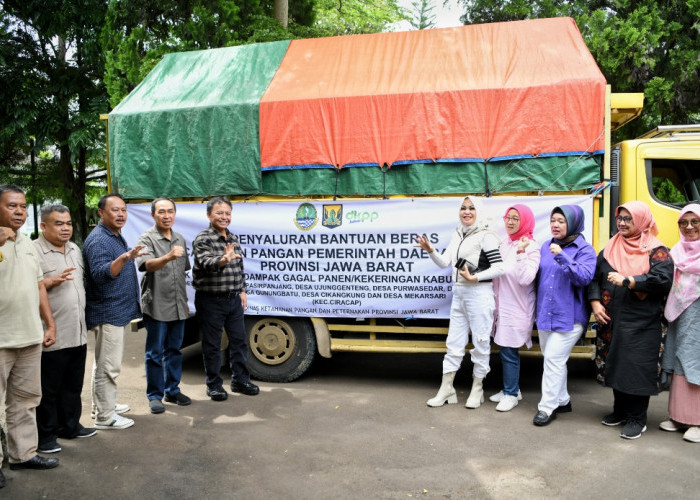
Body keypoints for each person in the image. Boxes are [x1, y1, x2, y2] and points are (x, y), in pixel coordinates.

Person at [589, 201, 672, 439]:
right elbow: (594, 278)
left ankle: (637, 418)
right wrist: (595, 303)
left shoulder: (656, 250)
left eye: (628, 219)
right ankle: (621, 411)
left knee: (636, 367)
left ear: (642, 220)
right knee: (615, 363)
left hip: (642, 322)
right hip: (612, 319)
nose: (622, 223)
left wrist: (630, 281)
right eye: (620, 218)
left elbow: (663, 279)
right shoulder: (610, 247)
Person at [415, 196, 505, 409]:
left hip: (480, 295)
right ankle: (447, 389)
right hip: (459, 294)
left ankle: (477, 388)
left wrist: (476, 277)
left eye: (472, 208)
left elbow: (500, 267)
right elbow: (445, 263)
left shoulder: (487, 235)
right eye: (463, 208)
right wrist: (430, 250)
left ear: (479, 211)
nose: (467, 212)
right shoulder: (457, 233)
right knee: (454, 343)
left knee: (481, 342)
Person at [0, 184, 59, 487]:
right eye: (12, 206)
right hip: (1, 339)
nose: (20, 211)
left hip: (29, 337)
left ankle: (23, 454)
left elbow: (39, 287)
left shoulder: (27, 244)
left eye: (23, 206)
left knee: (25, 400)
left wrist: (49, 324)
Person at [34, 205, 96, 455]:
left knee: (72, 385)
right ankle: (46, 436)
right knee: (48, 389)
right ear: (43, 226)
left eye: (68, 223)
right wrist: (50, 281)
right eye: (59, 223)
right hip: (52, 333)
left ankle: (70, 426)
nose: (65, 228)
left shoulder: (74, 249)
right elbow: (30, 289)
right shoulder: (34, 251)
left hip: (77, 331)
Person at [84, 193, 145, 430]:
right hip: (108, 311)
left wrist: (127, 256)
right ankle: (104, 417)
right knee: (109, 366)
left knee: (102, 363)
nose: (121, 214)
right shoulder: (99, 239)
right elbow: (100, 274)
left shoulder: (114, 235)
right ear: (101, 213)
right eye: (114, 210)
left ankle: (102, 405)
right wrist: (125, 258)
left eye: (123, 210)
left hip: (116, 309)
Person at [533, 205, 596, 427]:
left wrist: (563, 257)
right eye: (553, 220)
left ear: (573, 223)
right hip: (545, 314)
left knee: (553, 358)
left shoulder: (585, 250)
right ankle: (563, 400)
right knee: (555, 360)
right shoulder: (545, 246)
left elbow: (584, 278)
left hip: (571, 316)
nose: (555, 225)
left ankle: (547, 407)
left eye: (561, 220)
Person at [193, 197, 259, 401]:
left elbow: (239, 268)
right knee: (212, 344)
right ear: (209, 215)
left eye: (227, 213)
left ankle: (240, 380)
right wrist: (223, 259)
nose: (224, 217)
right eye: (219, 213)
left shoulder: (233, 238)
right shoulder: (203, 238)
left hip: (233, 300)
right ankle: (213, 385)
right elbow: (206, 263)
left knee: (239, 342)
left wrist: (242, 290)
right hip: (211, 300)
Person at [136, 198, 192, 414]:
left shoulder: (180, 238)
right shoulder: (146, 238)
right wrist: (168, 256)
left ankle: (173, 390)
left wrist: (184, 303)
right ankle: (155, 396)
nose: (166, 215)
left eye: (170, 211)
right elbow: (147, 265)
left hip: (178, 304)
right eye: (161, 212)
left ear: (175, 214)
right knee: (154, 352)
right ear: (153, 215)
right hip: (157, 304)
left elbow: (182, 272)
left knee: (174, 350)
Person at [489, 204, 539, 412]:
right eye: (508, 217)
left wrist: (521, 252)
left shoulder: (532, 246)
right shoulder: (505, 243)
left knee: (509, 351)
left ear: (525, 221)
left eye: (515, 218)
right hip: (502, 306)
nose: (510, 222)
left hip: (518, 308)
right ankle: (511, 389)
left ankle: (511, 393)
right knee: (503, 348)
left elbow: (526, 278)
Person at [659, 204, 700, 443]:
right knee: (677, 358)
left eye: (695, 222)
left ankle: (697, 420)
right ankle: (679, 416)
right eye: (684, 223)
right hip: (680, 316)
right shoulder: (676, 252)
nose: (689, 227)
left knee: (694, 359)